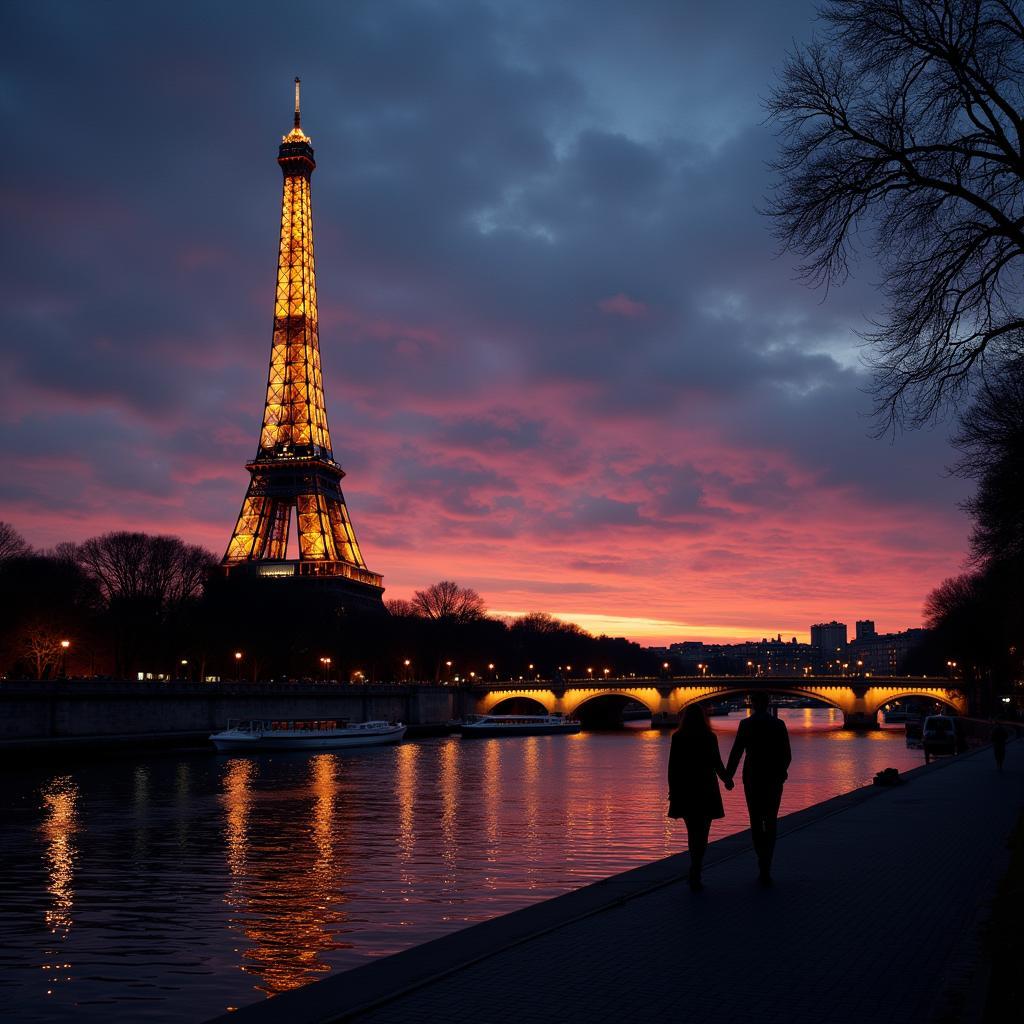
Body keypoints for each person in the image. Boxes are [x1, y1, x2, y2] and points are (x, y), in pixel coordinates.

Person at [725, 691, 791, 885]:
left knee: (755, 819)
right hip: (773, 779)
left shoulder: (746, 725)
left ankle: (760, 858)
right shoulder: (779, 725)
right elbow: (786, 754)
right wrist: (781, 773)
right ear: (768, 703)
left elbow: (736, 752)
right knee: (770, 820)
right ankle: (767, 863)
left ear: (752, 703)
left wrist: (728, 776)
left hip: (752, 778)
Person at [668, 703, 733, 891]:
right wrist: (726, 780)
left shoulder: (678, 738)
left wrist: (673, 791)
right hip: (706, 790)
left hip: (686, 791)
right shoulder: (709, 737)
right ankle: (696, 868)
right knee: (703, 833)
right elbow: (716, 762)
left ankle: (694, 867)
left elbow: (673, 768)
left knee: (692, 832)